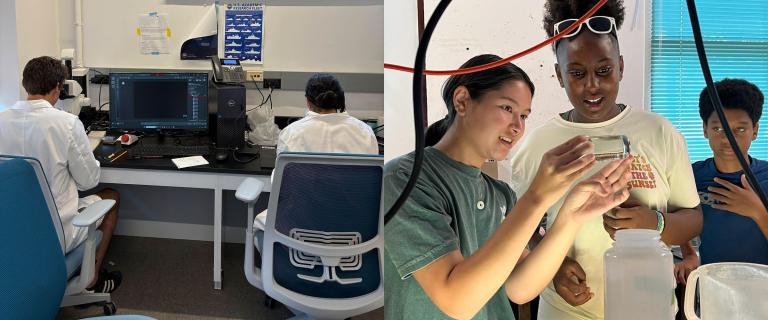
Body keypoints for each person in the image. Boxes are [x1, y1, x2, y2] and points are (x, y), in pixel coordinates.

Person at [384, 54, 632, 320]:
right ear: (462, 101)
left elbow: (519, 288)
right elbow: (456, 301)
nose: (518, 127)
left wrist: (572, 216)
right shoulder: (404, 179)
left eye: (524, 115)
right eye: (507, 108)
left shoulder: (500, 195)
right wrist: (537, 196)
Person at [509, 1, 703, 318]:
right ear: (559, 76)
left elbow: (693, 218)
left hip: (647, 307)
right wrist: (552, 266)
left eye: (604, 70)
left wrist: (654, 224)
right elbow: (518, 227)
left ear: (621, 67)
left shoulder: (659, 133)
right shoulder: (537, 146)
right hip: (566, 311)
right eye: (576, 73)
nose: (592, 85)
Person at [0, 56, 121, 293]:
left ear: (25, 84)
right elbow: (89, 181)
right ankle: (92, 279)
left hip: (11, 232)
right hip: (56, 234)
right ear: (58, 88)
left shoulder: (2, 120)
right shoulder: (66, 123)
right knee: (112, 197)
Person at [681, 79, 768, 274]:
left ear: (755, 130)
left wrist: (758, 212)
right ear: (705, 129)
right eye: (718, 128)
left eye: (740, 129)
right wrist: (689, 254)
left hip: (762, 286)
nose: (728, 138)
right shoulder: (690, 176)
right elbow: (676, 217)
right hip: (712, 285)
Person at [276, 73, 379, 155]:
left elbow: (280, 174)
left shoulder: (290, 134)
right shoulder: (365, 132)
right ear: (340, 99)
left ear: (308, 102)